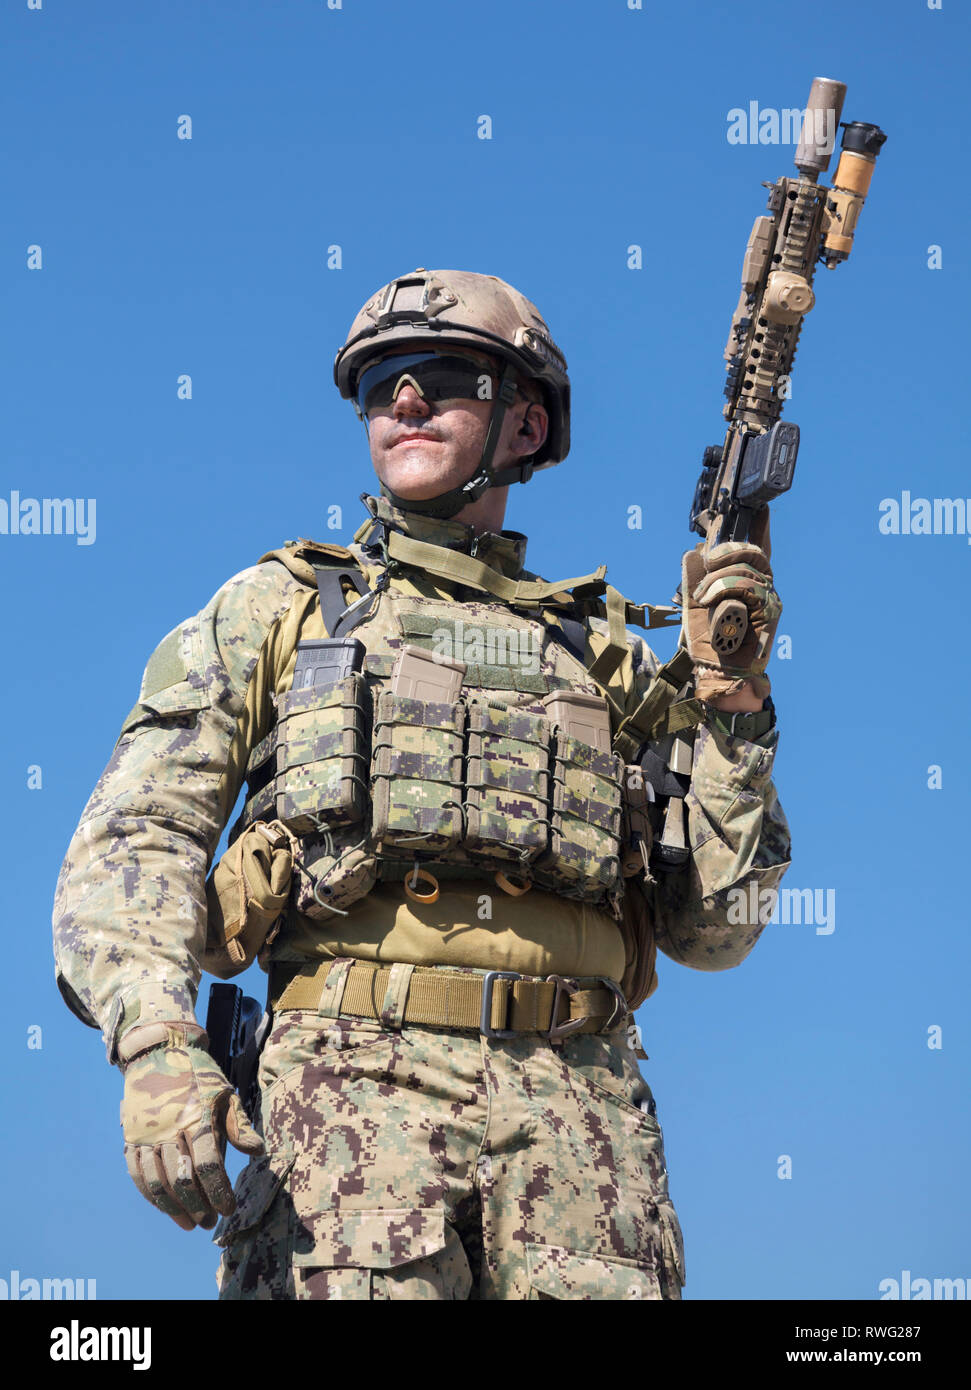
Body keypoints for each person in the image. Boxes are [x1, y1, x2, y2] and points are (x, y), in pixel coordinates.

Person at [52, 268, 791, 1300]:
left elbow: (713, 930)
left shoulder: (603, 658)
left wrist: (732, 707)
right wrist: (155, 1040)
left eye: (441, 377)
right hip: (349, 1108)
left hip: (582, 1128)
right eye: (379, 382)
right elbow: (137, 839)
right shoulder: (283, 608)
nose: (403, 400)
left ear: (524, 425)